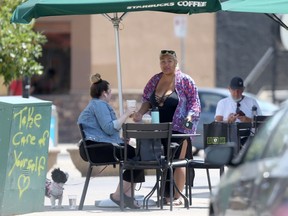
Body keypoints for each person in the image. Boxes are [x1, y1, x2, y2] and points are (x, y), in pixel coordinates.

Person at [133, 50, 201, 205]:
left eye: (169, 61)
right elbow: (146, 100)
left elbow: (195, 104)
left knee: (178, 161)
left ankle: (176, 197)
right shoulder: (155, 80)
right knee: (163, 162)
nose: (166, 64)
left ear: (176, 62)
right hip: (158, 130)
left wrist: (189, 118)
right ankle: (164, 195)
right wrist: (139, 113)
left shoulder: (185, 80)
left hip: (180, 129)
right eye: (163, 61)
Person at [77, 73, 144, 209]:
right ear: (104, 93)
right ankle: (118, 196)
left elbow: (103, 131)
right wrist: (126, 114)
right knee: (138, 156)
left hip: (96, 147)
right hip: (95, 149)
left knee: (135, 154)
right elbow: (108, 128)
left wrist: (119, 139)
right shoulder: (99, 105)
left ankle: (128, 197)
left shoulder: (97, 104)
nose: (111, 94)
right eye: (110, 91)